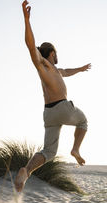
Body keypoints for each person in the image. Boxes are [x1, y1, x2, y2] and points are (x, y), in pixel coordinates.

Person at [14, 0, 91, 192]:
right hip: (62, 107)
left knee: (48, 152)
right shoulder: (43, 64)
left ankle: (27, 171)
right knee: (83, 121)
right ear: (52, 52)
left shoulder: (55, 70)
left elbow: (67, 71)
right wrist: (26, 20)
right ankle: (75, 149)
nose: (58, 57)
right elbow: (31, 46)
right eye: (56, 53)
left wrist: (80, 69)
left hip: (49, 114)